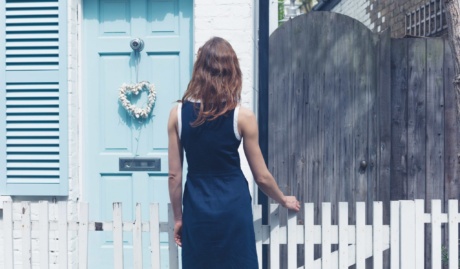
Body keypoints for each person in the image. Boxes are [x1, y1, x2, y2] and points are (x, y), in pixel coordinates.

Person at [167, 36, 300, 269]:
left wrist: (179, 218)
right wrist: (282, 198)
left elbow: (174, 176)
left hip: (197, 209)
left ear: (200, 70)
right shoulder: (243, 116)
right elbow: (261, 176)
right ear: (231, 71)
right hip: (233, 207)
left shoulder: (177, 114)